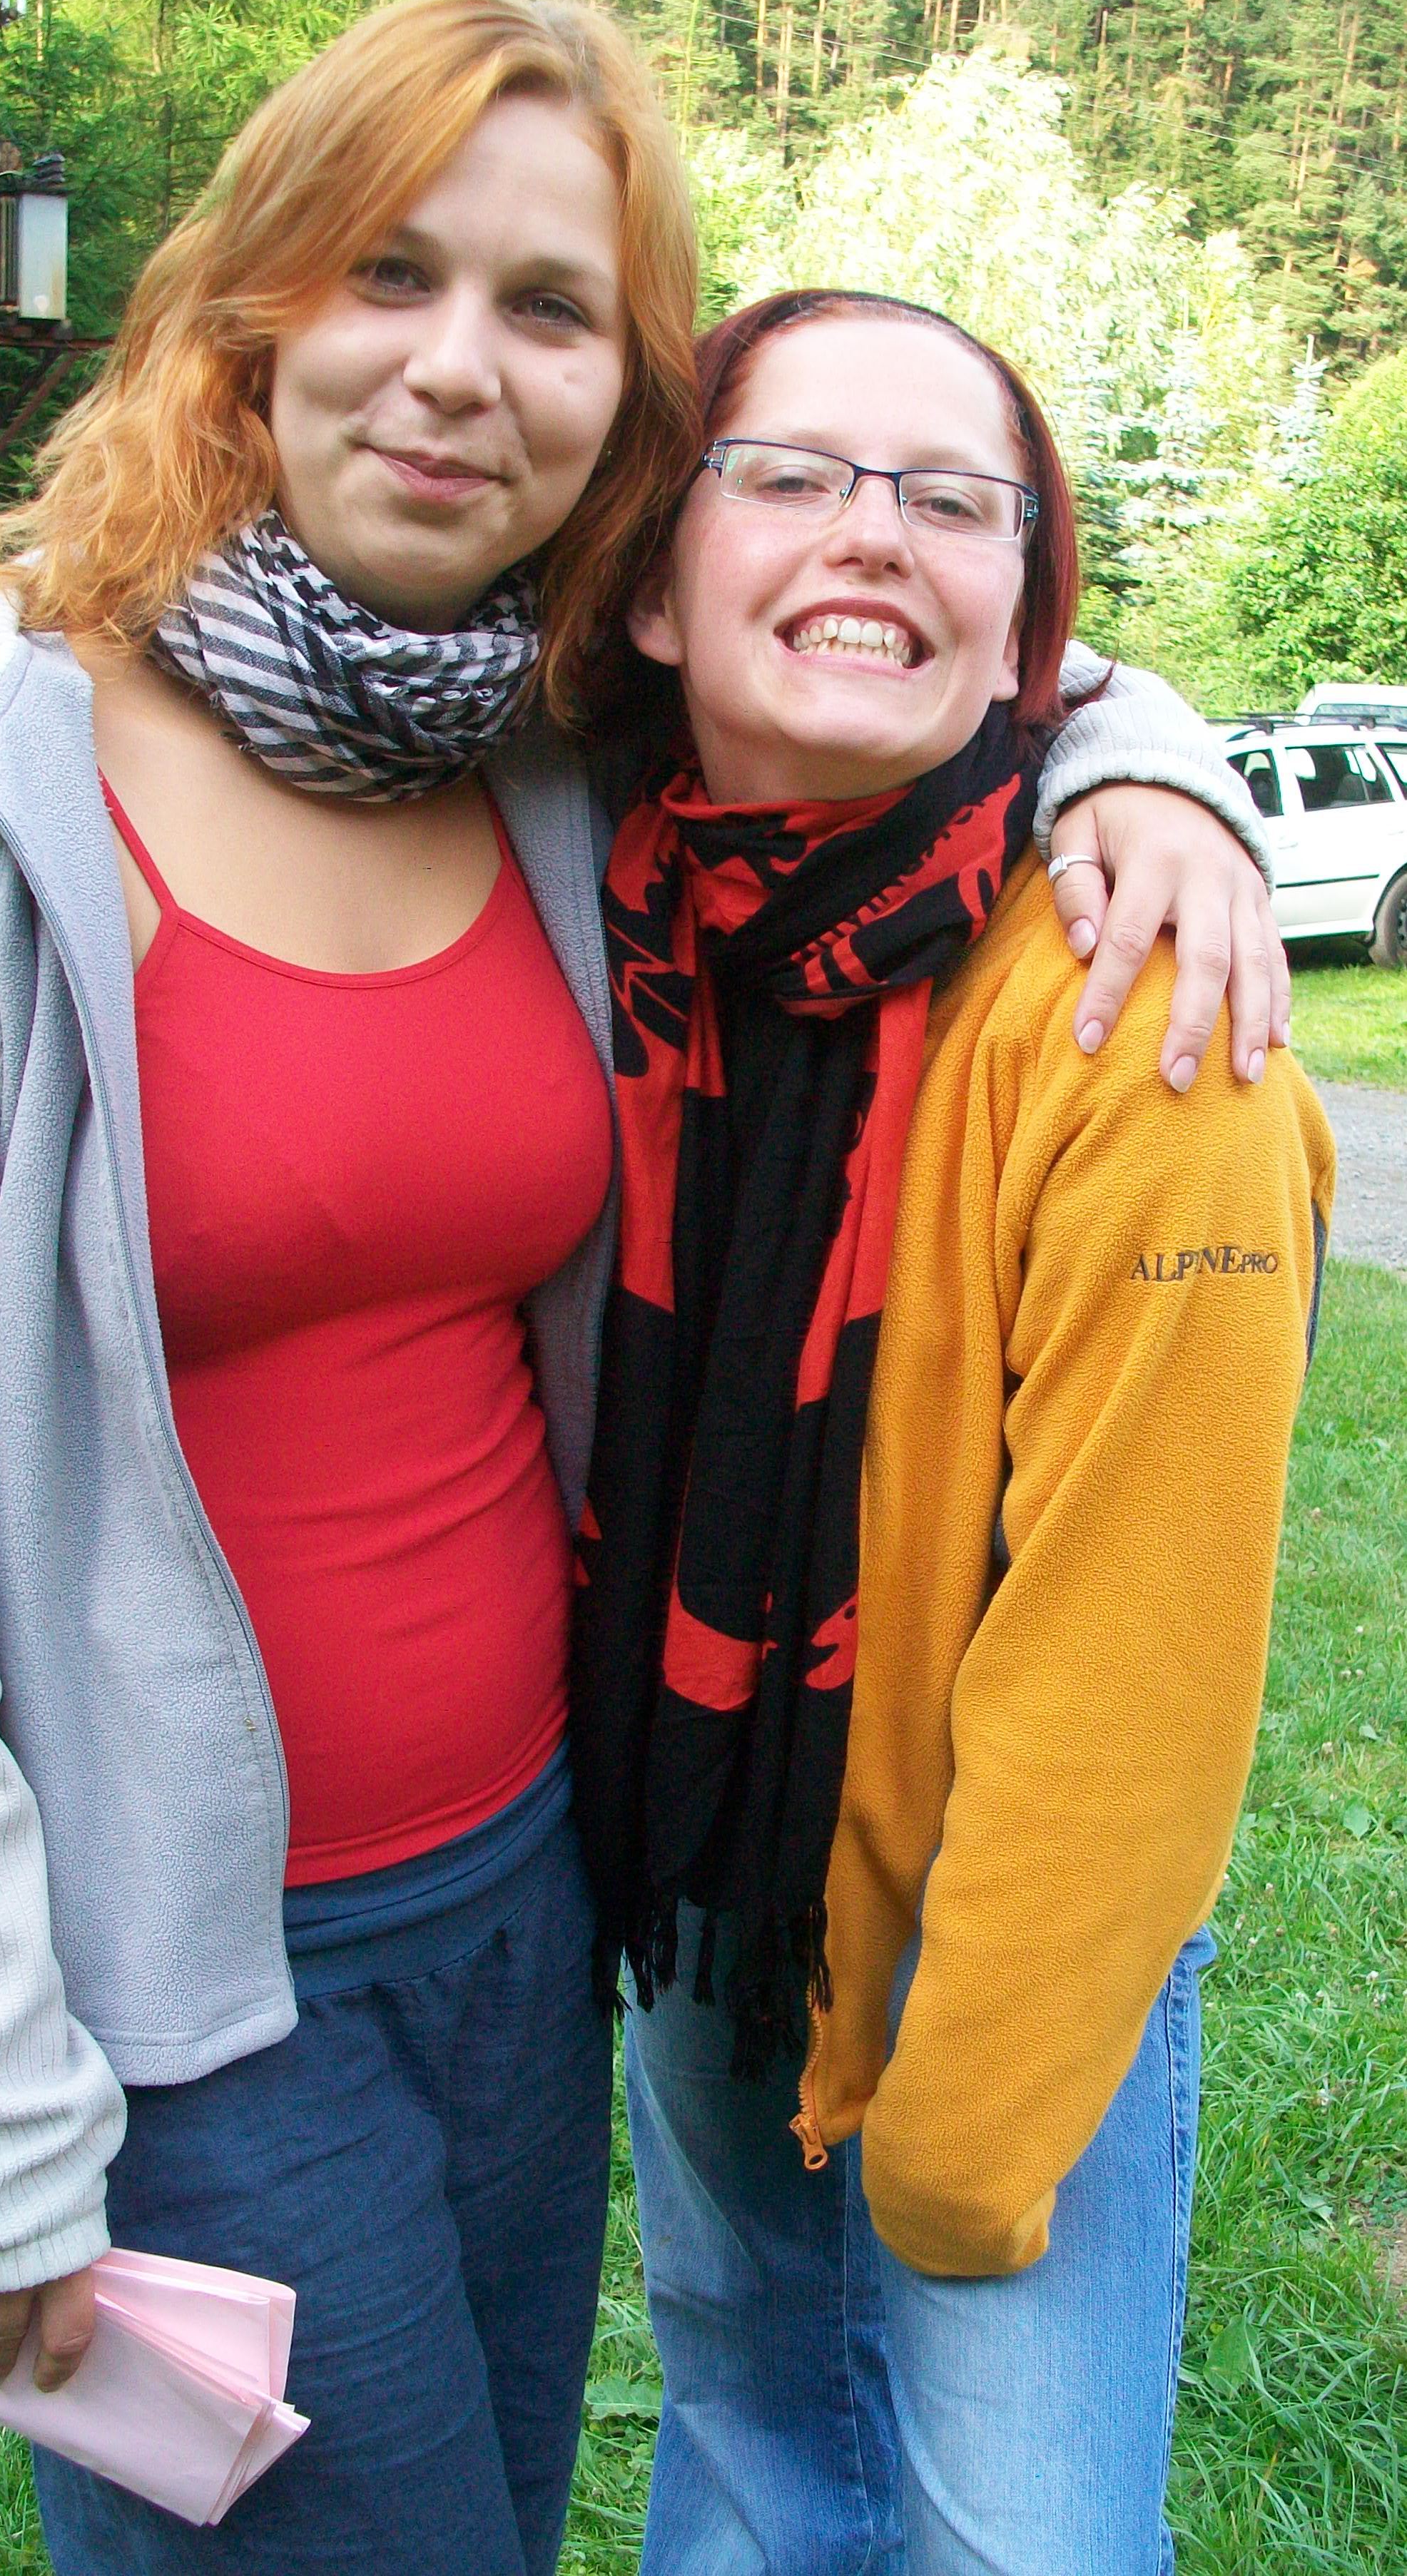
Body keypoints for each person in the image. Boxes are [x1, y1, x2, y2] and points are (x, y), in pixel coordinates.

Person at [0, 0, 1283, 2575]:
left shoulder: (541, 763)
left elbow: (916, 635)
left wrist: (1159, 765)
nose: (459, 367)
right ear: (249, 316)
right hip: (186, 1984)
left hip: (537, 1911)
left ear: (618, 419)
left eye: (550, 307)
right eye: (390, 272)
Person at [569, 286, 1336, 2576]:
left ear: (1029, 627)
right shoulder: (617, 905)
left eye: (951, 501)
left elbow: (1130, 1671)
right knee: (747, 2447)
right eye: (790, 475)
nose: (871, 534)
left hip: (1011, 1942)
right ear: (652, 578)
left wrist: (970, 2140)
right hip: (723, 1864)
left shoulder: (1146, 1020)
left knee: (1014, 2542)